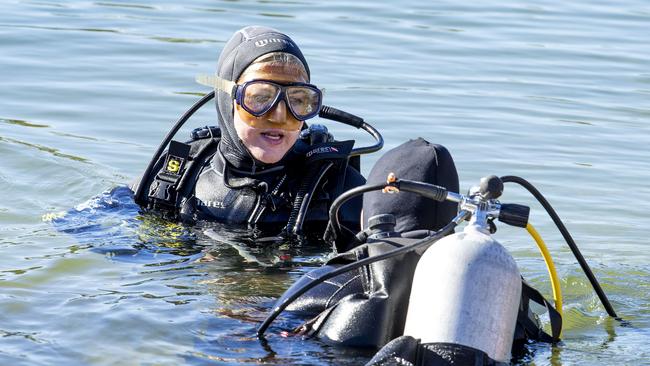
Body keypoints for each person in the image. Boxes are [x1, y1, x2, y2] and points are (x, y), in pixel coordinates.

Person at [131, 25, 366, 241]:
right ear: (227, 99)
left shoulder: (341, 188)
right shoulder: (174, 175)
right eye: (261, 98)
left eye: (298, 100)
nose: (279, 116)